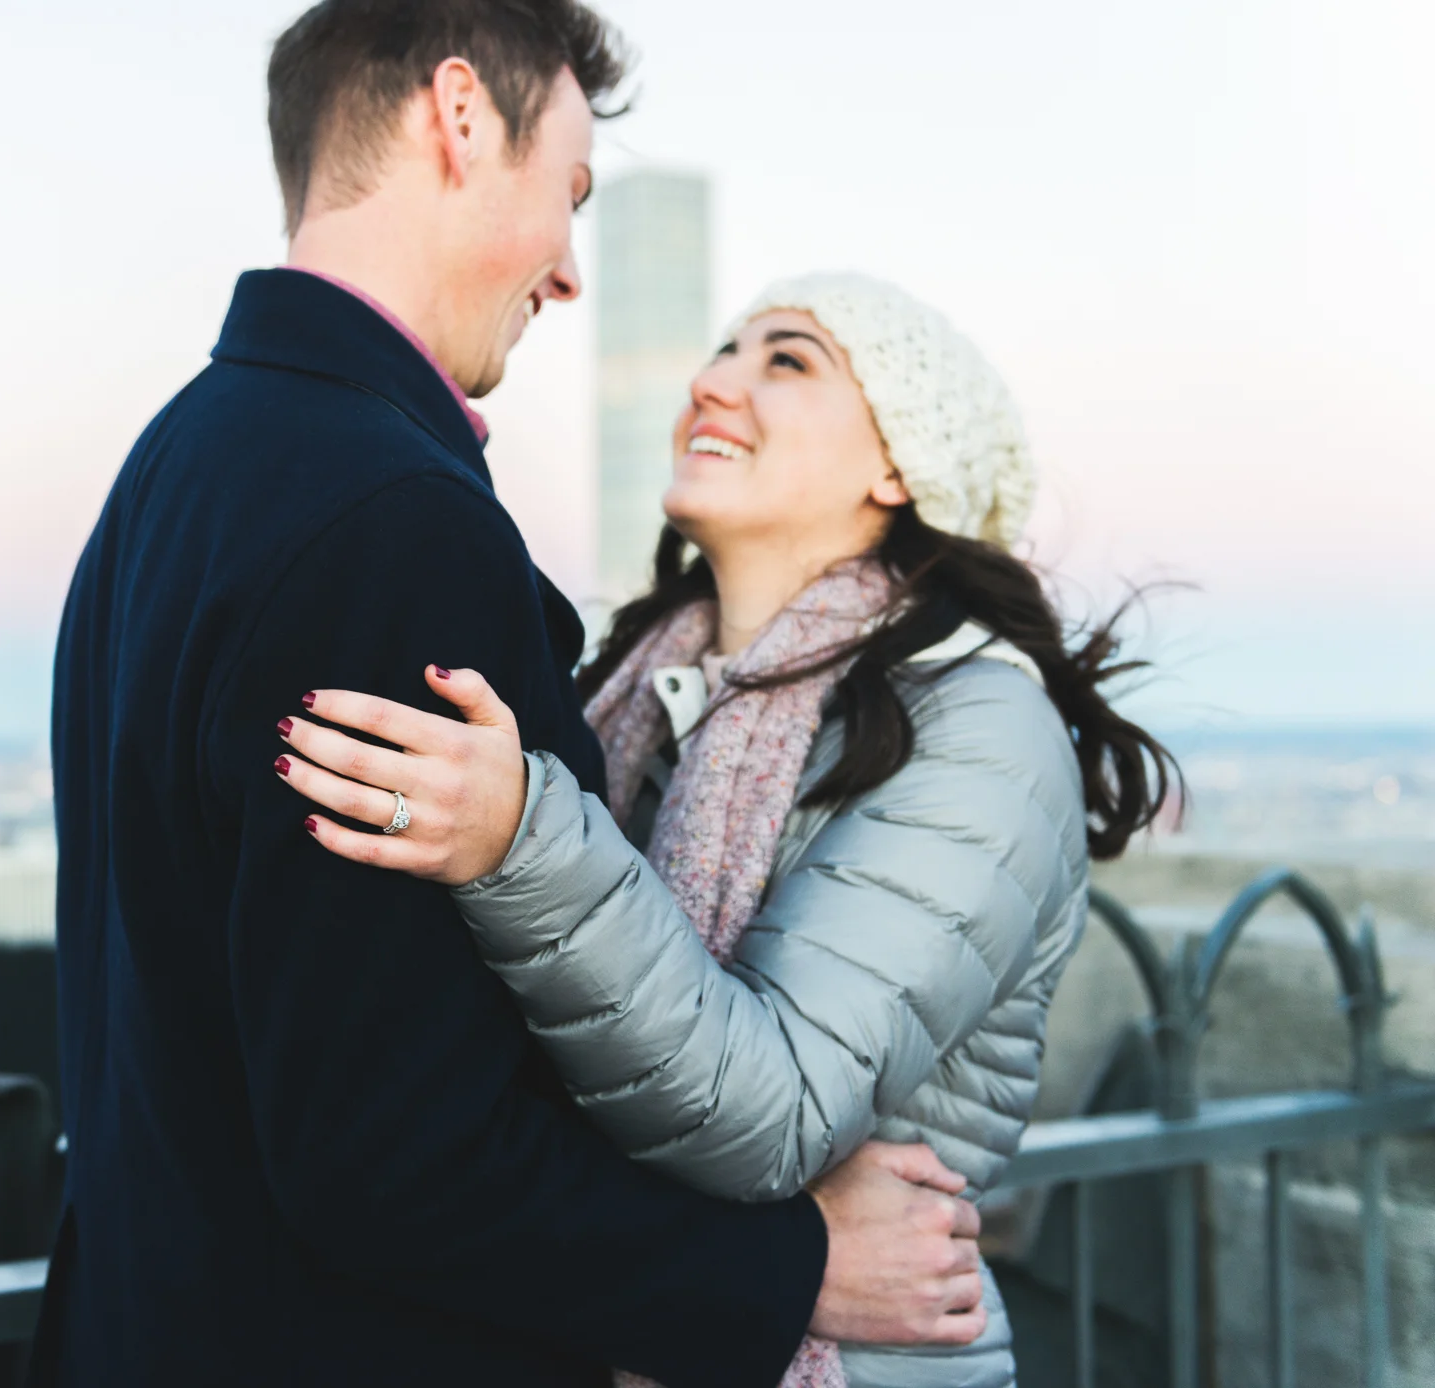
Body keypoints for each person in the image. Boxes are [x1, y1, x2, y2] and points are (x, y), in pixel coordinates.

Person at [33, 2, 999, 1384]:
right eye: (572, 193)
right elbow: (392, 1155)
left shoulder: (172, 471)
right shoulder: (391, 522)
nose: (567, 272)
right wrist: (795, 1267)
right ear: (461, 117)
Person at [275, 272, 1180, 1387]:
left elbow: (770, 1112)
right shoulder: (637, 691)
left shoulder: (981, 726)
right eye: (723, 351)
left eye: (786, 359)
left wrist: (520, 839)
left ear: (899, 465)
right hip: (634, 1330)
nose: (712, 383)